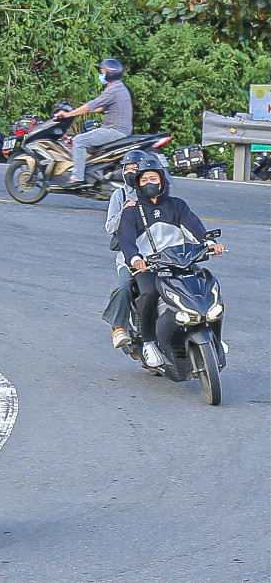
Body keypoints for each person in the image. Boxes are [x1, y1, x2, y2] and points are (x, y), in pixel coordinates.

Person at [117, 157, 225, 368]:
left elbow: (194, 227)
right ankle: (148, 342)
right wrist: (137, 259)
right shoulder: (132, 211)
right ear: (138, 184)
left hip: (180, 263)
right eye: (144, 179)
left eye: (153, 178)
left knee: (206, 285)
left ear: (162, 181)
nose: (149, 182)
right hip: (150, 266)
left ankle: (215, 338)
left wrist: (210, 243)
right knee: (148, 293)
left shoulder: (177, 205)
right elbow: (126, 239)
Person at [54, 58, 133, 187]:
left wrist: (68, 114)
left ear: (109, 74)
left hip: (115, 131)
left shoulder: (112, 90)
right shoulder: (120, 88)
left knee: (78, 141)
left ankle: (77, 177)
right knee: (88, 130)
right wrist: (90, 111)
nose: (100, 75)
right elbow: (104, 107)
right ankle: (90, 171)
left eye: (102, 72)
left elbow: (91, 105)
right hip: (119, 129)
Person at [102, 149, 148, 350]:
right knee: (124, 286)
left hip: (157, 255)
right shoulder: (119, 194)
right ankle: (118, 327)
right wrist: (125, 210)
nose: (130, 173)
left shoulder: (155, 193)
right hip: (129, 256)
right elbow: (110, 227)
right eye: (126, 169)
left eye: (134, 169)